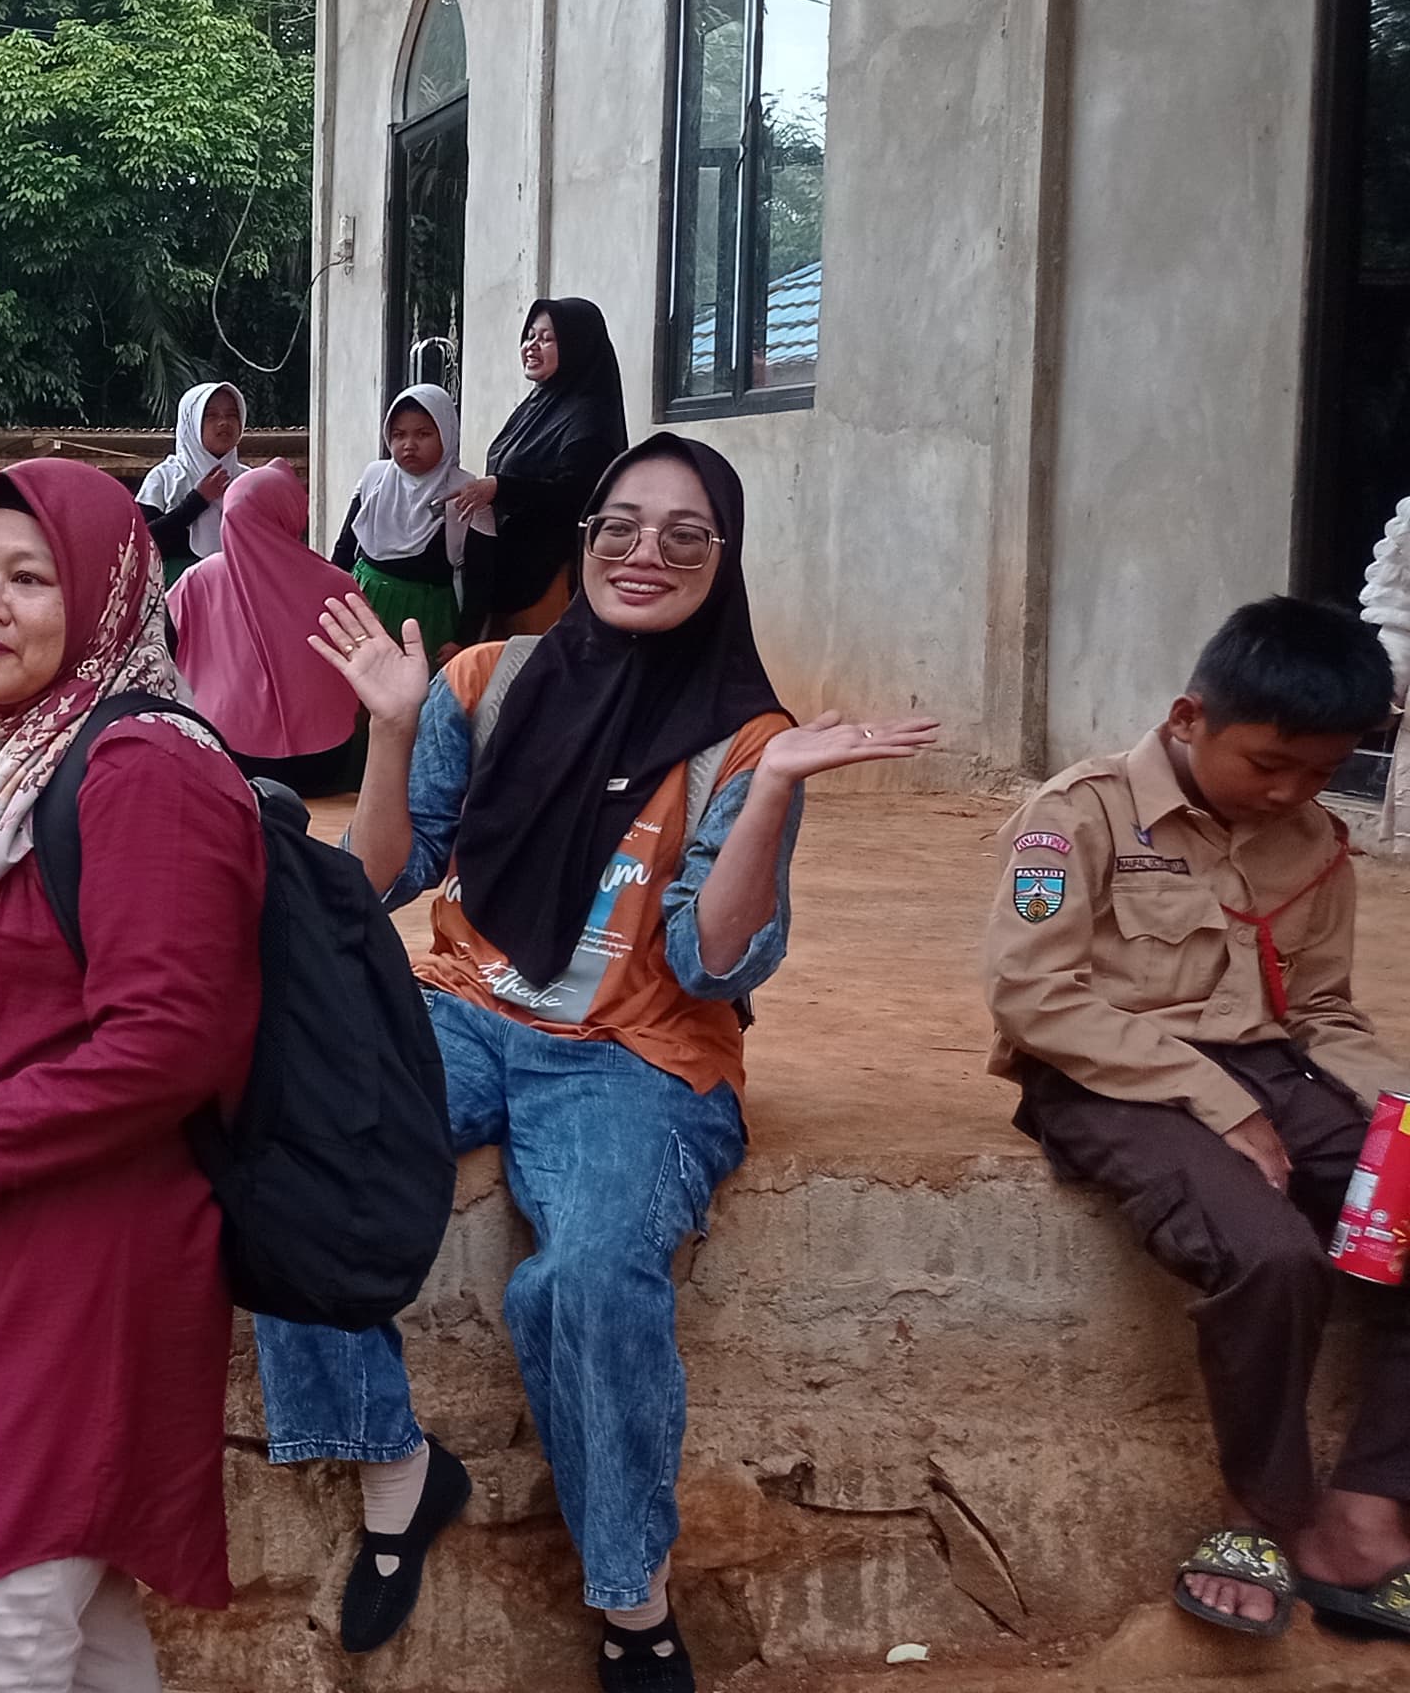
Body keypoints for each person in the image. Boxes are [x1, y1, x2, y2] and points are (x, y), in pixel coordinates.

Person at [254, 434, 936, 1693]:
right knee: (283, 1145)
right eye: (619, 525)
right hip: (463, 1007)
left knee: (592, 1276)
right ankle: (398, 1466)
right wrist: (392, 732)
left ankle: (633, 1601)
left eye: (685, 533)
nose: (645, 553)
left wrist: (772, 792)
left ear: (725, 559)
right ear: (583, 542)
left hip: (635, 1049)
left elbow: (716, 963)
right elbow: (378, 880)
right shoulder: (485, 680)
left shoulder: (746, 740)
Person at [0, 458, 263, 1691]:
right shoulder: (10, 769)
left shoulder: (145, 768)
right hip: (5, 1248)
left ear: (107, 593)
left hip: (92, 1262)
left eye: (30, 578)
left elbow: (169, 1037)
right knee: (79, 1642)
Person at [987, 596, 1410, 1642]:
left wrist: (1397, 1114)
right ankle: (1261, 1512)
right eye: (1270, 763)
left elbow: (1320, 1011)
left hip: (1272, 1066)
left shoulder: (1315, 841)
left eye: (1322, 771)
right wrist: (1221, 1105)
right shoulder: (1074, 816)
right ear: (1189, 717)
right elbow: (1035, 999)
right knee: (1272, 1254)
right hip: (1103, 1076)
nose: (1292, 791)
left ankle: (1365, 1513)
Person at [171, 464, 367, 795]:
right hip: (324, 754)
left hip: (225, 745)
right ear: (290, 512)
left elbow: (159, 642)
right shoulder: (338, 584)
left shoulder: (198, 580)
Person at [467, 298, 630, 638]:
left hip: (552, 579)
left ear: (575, 346)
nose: (531, 346)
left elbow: (578, 495)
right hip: (511, 575)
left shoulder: (589, 418)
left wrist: (501, 487)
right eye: (529, 336)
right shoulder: (538, 405)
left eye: (547, 338)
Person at [333, 384, 476, 661]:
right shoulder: (375, 479)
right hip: (365, 609)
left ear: (446, 434)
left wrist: (463, 638)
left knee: (418, 687)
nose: (409, 445)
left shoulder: (465, 492)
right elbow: (345, 548)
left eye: (423, 434)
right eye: (399, 435)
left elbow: (480, 576)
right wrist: (330, 601)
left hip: (428, 621)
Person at [135, 383, 269, 584]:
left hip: (237, 591)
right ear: (191, 422)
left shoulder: (249, 481)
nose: (224, 423)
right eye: (211, 415)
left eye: (232, 415)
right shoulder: (165, 478)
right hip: (175, 594)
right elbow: (142, 543)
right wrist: (197, 501)